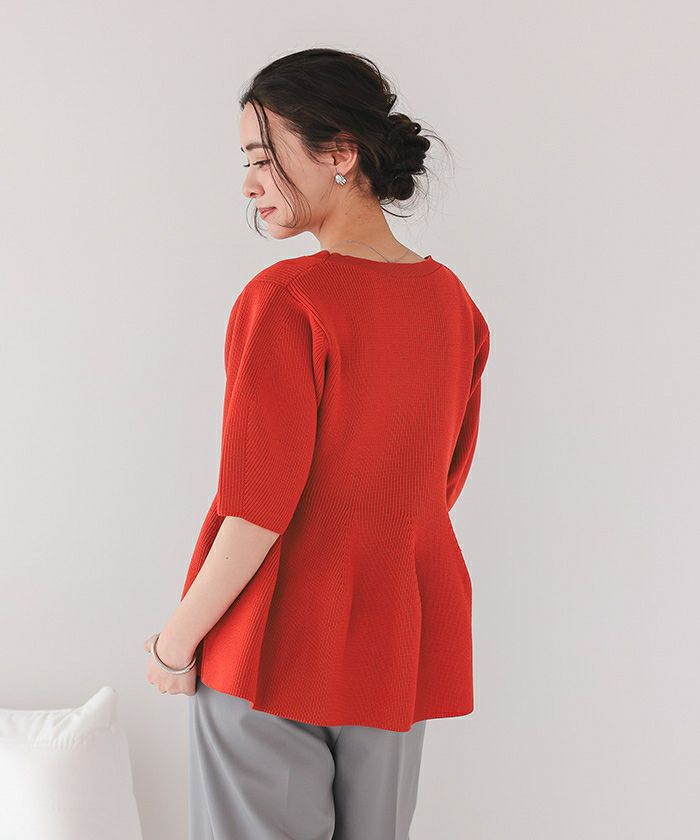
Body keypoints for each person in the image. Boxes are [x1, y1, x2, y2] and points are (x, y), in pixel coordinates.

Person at [143, 47, 491, 840]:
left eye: (262, 157)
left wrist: (175, 644)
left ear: (341, 152)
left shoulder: (286, 299)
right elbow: (436, 484)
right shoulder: (453, 304)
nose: (249, 183)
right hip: (394, 645)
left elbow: (257, 509)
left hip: (272, 646)